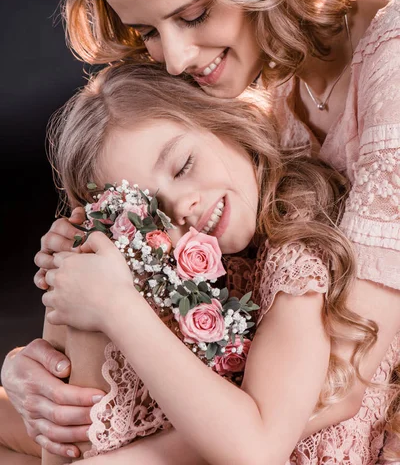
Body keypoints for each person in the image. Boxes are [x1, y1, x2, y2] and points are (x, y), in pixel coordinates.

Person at [3, 0, 400, 460]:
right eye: (147, 31)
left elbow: (337, 385)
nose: (174, 59)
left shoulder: (391, 62)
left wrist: (122, 453)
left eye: (191, 16)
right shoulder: (261, 75)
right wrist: (38, 370)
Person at [25, 61, 400, 463]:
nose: (182, 206)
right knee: (84, 273)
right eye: (152, 209)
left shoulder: (298, 243)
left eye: (184, 165)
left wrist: (117, 307)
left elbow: (256, 450)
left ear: (226, 121)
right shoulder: (202, 265)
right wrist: (73, 267)